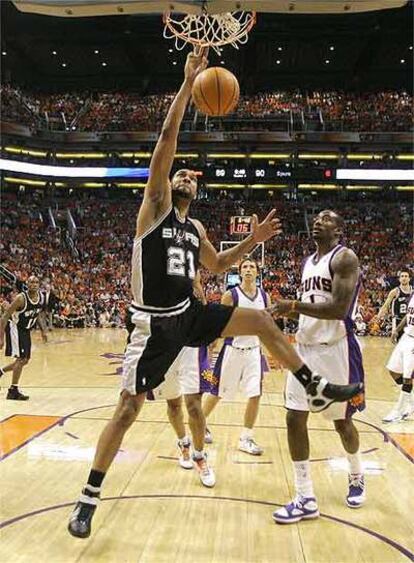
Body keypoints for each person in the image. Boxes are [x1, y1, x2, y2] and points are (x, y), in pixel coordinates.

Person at [68, 49, 361, 539]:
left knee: (263, 319)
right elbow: (166, 139)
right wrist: (187, 84)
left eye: (189, 175)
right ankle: (89, 496)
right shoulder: (156, 208)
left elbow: (220, 265)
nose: (184, 175)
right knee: (127, 409)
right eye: (179, 172)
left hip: (190, 311)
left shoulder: (196, 225)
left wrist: (254, 240)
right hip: (153, 324)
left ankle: (311, 384)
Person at [271, 210, 366, 524]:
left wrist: (295, 305)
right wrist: (288, 313)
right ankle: (305, 495)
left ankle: (356, 473)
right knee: (293, 418)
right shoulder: (307, 262)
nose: (318, 221)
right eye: (317, 218)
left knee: (342, 424)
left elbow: (339, 309)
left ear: (338, 230)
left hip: (336, 350)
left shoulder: (345, 258)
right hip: (305, 350)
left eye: (326, 219)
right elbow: (314, 306)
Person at [203, 258, 270, 455]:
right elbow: (219, 325)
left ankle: (246, 437)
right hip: (232, 350)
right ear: (240, 273)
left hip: (254, 352)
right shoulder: (230, 295)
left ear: (257, 272)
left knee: (255, 395)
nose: (249, 270)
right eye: (245, 267)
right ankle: (201, 423)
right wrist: (211, 346)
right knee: (217, 393)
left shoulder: (265, 297)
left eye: (252, 267)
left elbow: (268, 327)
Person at [0, 275, 47, 400]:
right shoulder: (21, 298)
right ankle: (13, 390)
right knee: (21, 359)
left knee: (25, 360)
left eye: (36, 282)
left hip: (26, 330)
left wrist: (43, 330)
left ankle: (0, 371)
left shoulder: (42, 298)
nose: (34, 284)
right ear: (27, 284)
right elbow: (4, 316)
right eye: (31, 282)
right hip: (15, 328)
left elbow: (38, 315)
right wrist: (1, 338)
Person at [382, 292, 414, 422]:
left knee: (408, 378)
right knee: (393, 371)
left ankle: (398, 411)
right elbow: (408, 315)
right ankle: (411, 402)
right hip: (406, 337)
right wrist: (397, 330)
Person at [376, 271, 412, 340]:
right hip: (398, 320)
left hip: (409, 320)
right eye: (402, 276)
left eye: (406, 276)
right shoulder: (395, 291)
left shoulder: (412, 291)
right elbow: (385, 305)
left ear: (409, 279)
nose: (404, 278)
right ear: (399, 279)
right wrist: (379, 316)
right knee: (398, 343)